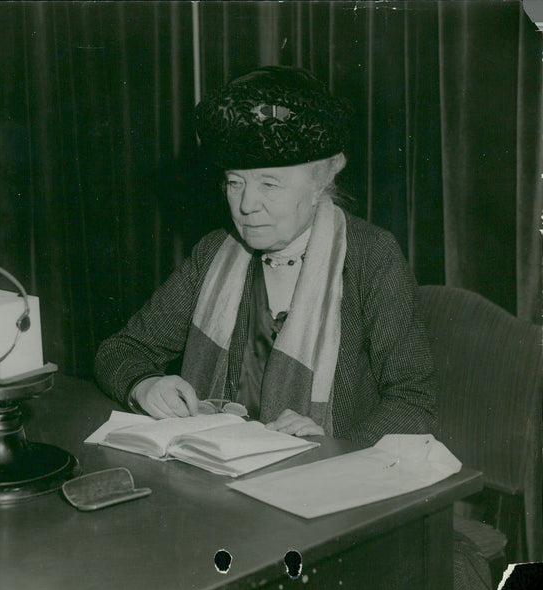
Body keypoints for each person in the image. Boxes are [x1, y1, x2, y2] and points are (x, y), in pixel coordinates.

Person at [94, 66, 437, 448]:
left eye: (269, 184)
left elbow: (413, 402)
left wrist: (335, 445)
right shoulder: (214, 252)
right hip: (216, 466)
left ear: (320, 183)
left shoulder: (371, 256)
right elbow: (121, 350)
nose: (246, 205)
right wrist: (144, 385)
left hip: (328, 471)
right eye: (234, 182)